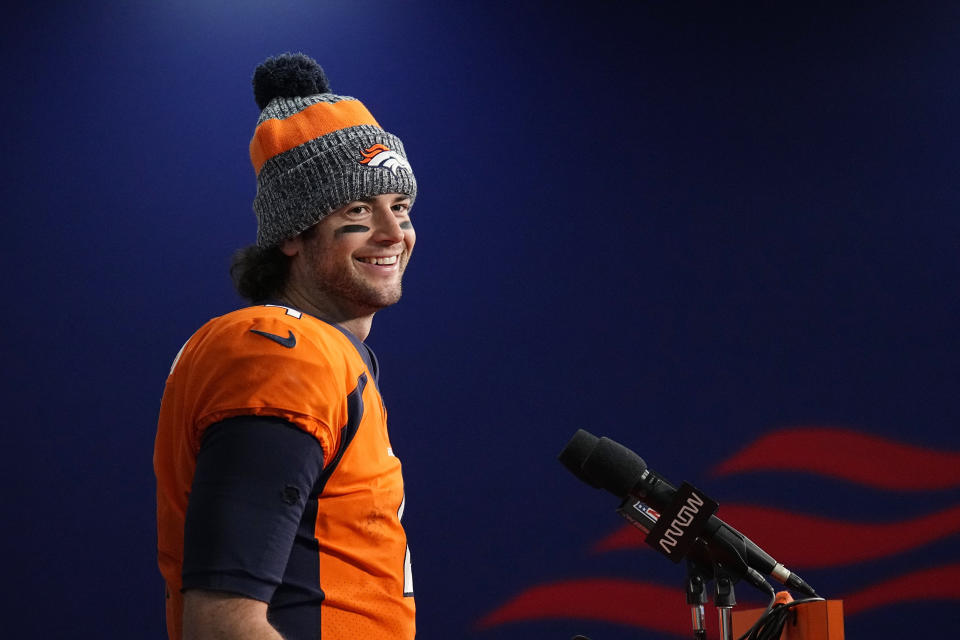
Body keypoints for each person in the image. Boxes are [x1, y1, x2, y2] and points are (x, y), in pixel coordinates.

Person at [154, 52, 418, 640]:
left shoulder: (321, 352)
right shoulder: (283, 353)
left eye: (400, 208)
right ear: (293, 234)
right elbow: (223, 623)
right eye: (358, 210)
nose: (393, 233)